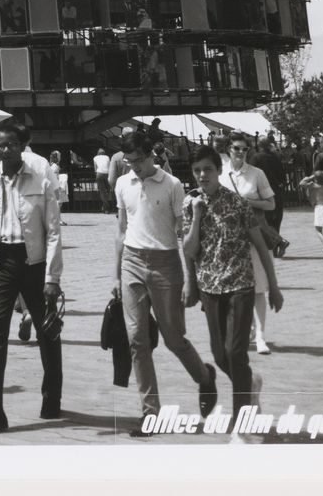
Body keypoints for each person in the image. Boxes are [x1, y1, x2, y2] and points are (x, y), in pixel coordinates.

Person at [113, 127, 217, 437]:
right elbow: (121, 230)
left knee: (173, 338)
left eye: (139, 160)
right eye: (130, 161)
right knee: (136, 339)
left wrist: (189, 280)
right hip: (131, 261)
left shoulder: (172, 185)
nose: (135, 166)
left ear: (151, 155)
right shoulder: (123, 183)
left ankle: (204, 376)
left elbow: (184, 235)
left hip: (165, 263)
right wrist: (115, 274)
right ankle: (151, 413)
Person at [0, 123, 63, 430]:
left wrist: (52, 277)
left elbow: (53, 232)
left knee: (47, 332)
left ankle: (52, 398)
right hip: (2, 264)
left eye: (10, 144)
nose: (4, 150)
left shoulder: (41, 182)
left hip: (33, 263)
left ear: (21, 147)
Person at [183, 146, 284, 430]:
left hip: (240, 283)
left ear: (218, 171)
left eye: (208, 169)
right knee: (219, 354)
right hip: (210, 287)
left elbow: (261, 247)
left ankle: (242, 419)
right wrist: (198, 215)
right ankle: (250, 383)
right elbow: (189, 250)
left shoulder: (237, 204)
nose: (202, 175)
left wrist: (274, 287)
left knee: (236, 351)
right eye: (197, 170)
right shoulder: (190, 204)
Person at [220, 134, 279, 354]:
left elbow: (271, 204)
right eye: (236, 148)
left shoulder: (256, 174)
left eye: (245, 149)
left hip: (253, 237)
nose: (241, 152)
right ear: (228, 149)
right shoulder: (221, 174)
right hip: (228, 239)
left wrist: (247, 202)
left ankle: (261, 336)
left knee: (258, 287)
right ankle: (244, 331)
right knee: (231, 289)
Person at [250, 136, 290, 257]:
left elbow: (251, 176)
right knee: (276, 220)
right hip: (276, 190)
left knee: (263, 221)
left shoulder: (255, 158)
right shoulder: (276, 157)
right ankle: (275, 249)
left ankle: (276, 244)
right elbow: (283, 175)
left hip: (262, 192)